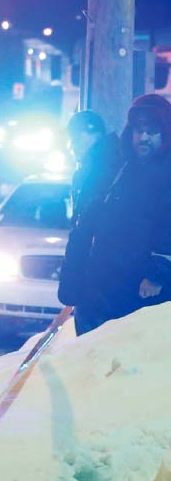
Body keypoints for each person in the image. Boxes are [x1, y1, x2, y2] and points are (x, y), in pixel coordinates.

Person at [62, 94, 171, 334]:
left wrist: (158, 273)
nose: (143, 137)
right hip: (109, 283)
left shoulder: (166, 173)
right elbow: (92, 223)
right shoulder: (123, 168)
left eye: (152, 131)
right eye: (138, 130)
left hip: (143, 290)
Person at [57, 109, 123, 334]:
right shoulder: (93, 167)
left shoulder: (106, 168)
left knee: (93, 341)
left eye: (76, 137)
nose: (72, 145)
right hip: (93, 272)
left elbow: (87, 228)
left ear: (94, 135)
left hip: (98, 274)